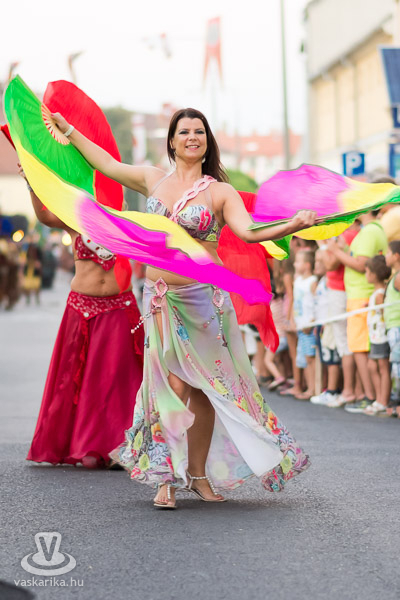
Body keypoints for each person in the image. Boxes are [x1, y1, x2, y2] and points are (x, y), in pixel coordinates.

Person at [50, 107, 316, 507]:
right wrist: (69, 129)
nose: (192, 137)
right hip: (160, 298)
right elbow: (105, 164)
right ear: (172, 141)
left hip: (204, 299)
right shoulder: (152, 179)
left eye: (199, 132)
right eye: (184, 131)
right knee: (169, 385)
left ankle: (197, 475)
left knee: (206, 389)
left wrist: (294, 225)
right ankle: (166, 477)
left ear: (207, 142)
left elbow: (249, 231)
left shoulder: (219, 192)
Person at [21, 172, 144, 468]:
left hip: (119, 308)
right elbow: (45, 216)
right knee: (77, 379)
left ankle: (120, 445)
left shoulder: (126, 225)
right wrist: (32, 183)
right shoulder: (76, 220)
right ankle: (84, 443)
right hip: (82, 309)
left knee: (117, 379)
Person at [327, 211, 388, 413]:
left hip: (360, 296)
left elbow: (362, 265)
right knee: (362, 349)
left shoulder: (369, 231)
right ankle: (369, 396)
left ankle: (369, 397)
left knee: (360, 350)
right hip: (360, 295)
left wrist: (335, 251)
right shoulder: (373, 229)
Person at [310, 249, 342, 406]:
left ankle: (332, 390)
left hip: (328, 323)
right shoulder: (321, 282)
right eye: (315, 261)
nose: (316, 264)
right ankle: (327, 388)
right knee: (325, 357)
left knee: (331, 357)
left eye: (320, 261)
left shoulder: (329, 282)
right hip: (321, 323)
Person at [363, 255, 392, 416]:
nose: (366, 275)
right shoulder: (376, 293)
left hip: (381, 336)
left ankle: (383, 400)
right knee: (372, 366)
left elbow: (383, 311)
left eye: (367, 272)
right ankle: (378, 398)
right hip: (374, 336)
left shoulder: (380, 293)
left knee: (382, 367)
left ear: (374, 274)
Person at [293, 250, 317, 400]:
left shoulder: (312, 281)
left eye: (298, 261)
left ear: (307, 265)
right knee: (304, 358)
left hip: (309, 326)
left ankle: (313, 388)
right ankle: (309, 387)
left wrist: (313, 320)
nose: (295, 264)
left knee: (310, 357)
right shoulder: (297, 281)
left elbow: (316, 302)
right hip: (300, 325)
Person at [384, 241, 400, 417]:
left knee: (397, 365)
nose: (385, 256)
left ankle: (397, 402)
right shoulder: (395, 275)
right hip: (392, 325)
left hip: (397, 325)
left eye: (388, 253)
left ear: (396, 256)